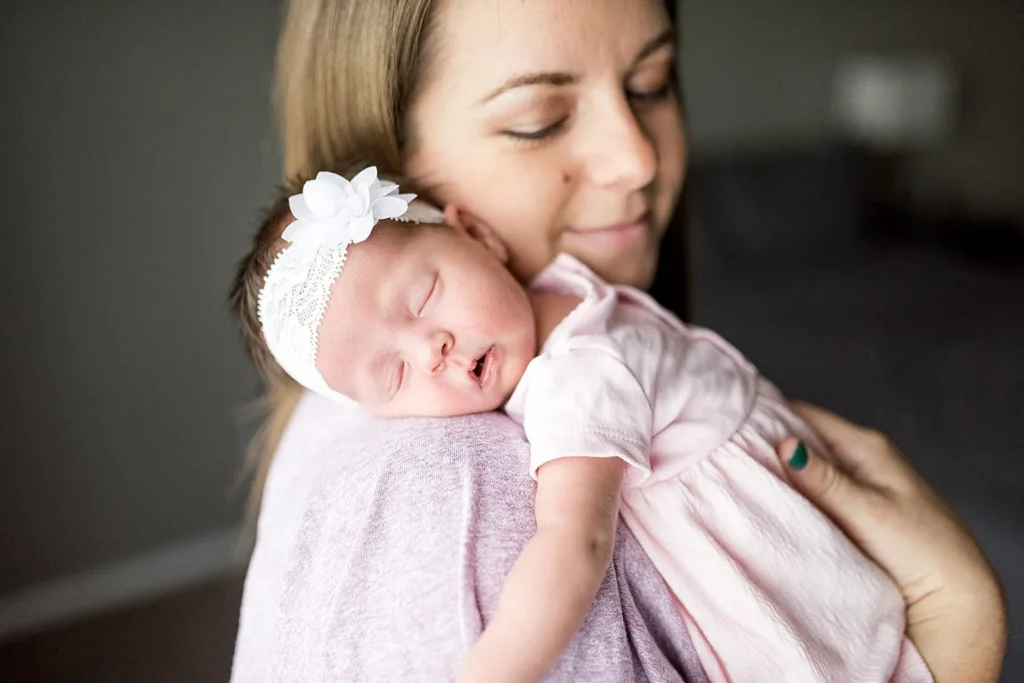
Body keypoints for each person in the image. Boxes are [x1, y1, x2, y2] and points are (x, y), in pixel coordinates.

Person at [229, 1, 1007, 681]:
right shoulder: (433, 484)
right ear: (395, 158)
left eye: (651, 83)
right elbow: (575, 546)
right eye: (539, 120)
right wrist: (965, 639)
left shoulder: (576, 329)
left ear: (461, 234)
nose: (638, 159)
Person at [240, 167, 932, 682]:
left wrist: (486, 673)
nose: (431, 350)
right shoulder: (559, 297)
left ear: (476, 235)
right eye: (392, 373)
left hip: (805, 615)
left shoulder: (584, 369)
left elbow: (575, 544)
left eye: (424, 294)